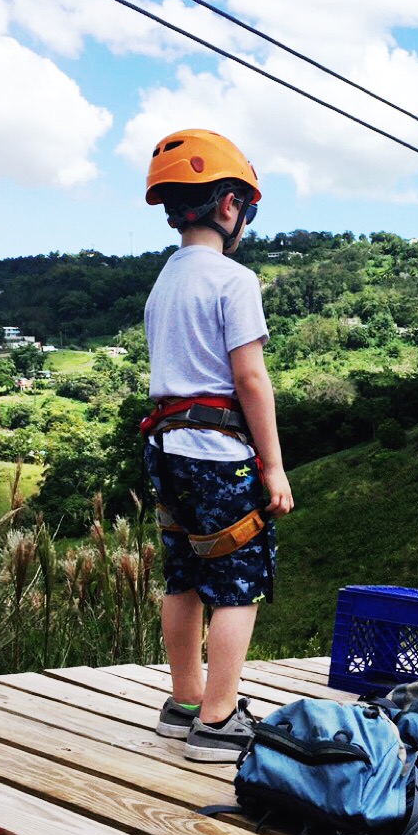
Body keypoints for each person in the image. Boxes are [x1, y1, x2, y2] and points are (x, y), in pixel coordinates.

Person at [141, 128, 293, 761]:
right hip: (218, 451)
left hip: (166, 448)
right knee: (237, 580)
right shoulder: (234, 279)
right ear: (230, 205)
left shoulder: (163, 283)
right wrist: (275, 466)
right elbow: (250, 377)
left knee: (182, 573)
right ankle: (219, 718)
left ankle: (184, 701)